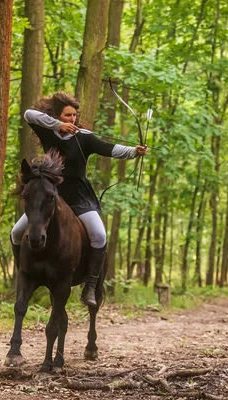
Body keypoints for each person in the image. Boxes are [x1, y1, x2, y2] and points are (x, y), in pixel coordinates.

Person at [11, 92, 148, 307]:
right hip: (51, 199)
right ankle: (23, 276)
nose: (72, 119)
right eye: (67, 115)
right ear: (57, 116)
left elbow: (109, 149)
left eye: (74, 115)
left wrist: (133, 151)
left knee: (99, 235)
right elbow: (29, 114)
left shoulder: (84, 137)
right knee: (17, 233)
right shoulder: (49, 132)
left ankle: (91, 286)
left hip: (79, 198)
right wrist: (57, 126)